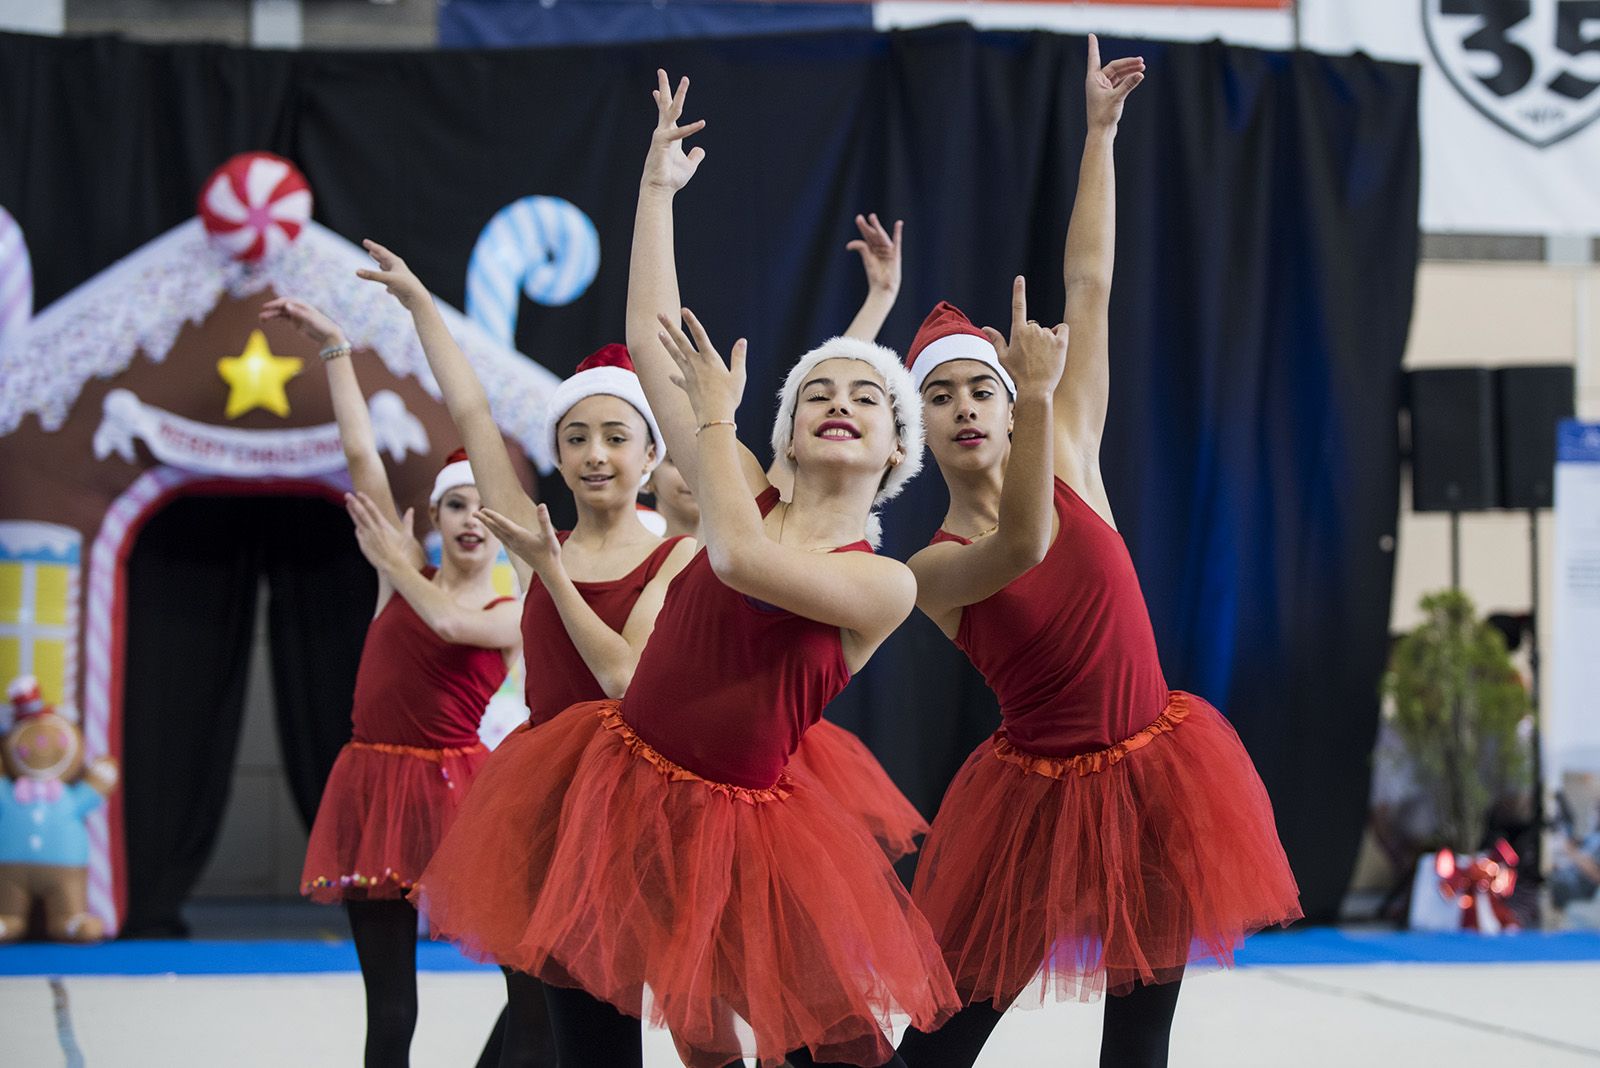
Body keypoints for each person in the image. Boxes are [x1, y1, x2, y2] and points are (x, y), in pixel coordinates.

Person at [408, 70, 959, 1067]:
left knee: (829, 1046)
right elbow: (663, 359)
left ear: (895, 451)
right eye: (817, 391)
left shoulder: (885, 581)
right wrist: (655, 193)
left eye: (865, 398)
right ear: (788, 432)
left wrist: (712, 419)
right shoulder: (741, 488)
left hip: (749, 827)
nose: (839, 399)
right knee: (598, 1027)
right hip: (617, 784)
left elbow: (741, 560)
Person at [895, 37, 1301, 1068]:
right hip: (1029, 805)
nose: (964, 410)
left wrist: (1099, 136)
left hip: (1162, 777)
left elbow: (1090, 282)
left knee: (1139, 1045)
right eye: (938, 398)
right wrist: (1029, 393)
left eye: (978, 387)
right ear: (916, 431)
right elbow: (1023, 541)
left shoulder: (1068, 445)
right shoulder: (932, 567)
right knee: (943, 1041)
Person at [265, 297, 521, 1068]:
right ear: (436, 517)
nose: (471, 519)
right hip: (373, 787)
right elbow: (361, 455)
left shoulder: (514, 608)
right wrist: (337, 350)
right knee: (391, 1006)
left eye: (483, 506)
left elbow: (448, 626)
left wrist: (397, 568)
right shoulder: (399, 574)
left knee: (529, 982)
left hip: (459, 796)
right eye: (454, 505)